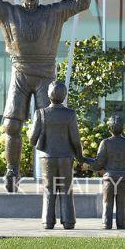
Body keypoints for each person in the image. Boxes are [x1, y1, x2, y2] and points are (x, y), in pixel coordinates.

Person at [0, 0, 93, 192]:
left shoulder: (53, 13)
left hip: (45, 73)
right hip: (20, 71)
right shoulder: (10, 12)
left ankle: (54, 173)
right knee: (12, 126)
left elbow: (82, 1)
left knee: (51, 124)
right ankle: (12, 171)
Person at [29, 81, 85, 230]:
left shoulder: (40, 113)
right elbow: (75, 139)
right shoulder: (70, 114)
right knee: (66, 189)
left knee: (49, 189)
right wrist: (80, 156)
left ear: (48, 95)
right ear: (64, 95)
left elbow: (32, 140)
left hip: (47, 157)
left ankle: (48, 221)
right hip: (66, 157)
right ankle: (68, 221)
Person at [93, 116, 125, 230]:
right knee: (121, 203)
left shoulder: (105, 143)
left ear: (109, 129)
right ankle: (121, 224)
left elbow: (99, 163)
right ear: (123, 129)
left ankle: (106, 223)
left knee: (107, 202)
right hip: (123, 178)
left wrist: (91, 165)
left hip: (109, 178)